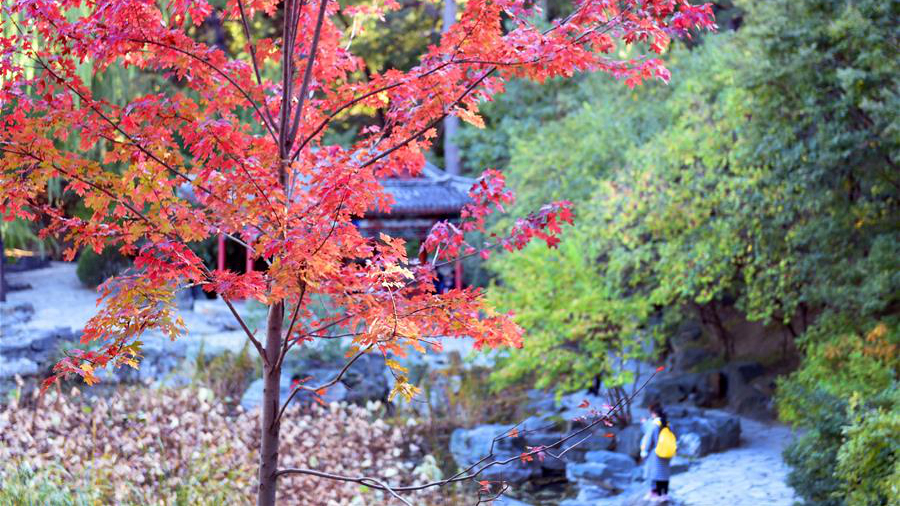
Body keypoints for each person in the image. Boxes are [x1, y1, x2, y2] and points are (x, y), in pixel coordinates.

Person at [640, 402, 672, 502]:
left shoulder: (654, 425)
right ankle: (665, 494)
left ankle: (656, 494)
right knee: (664, 474)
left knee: (655, 474)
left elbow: (649, 438)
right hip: (667, 451)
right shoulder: (667, 423)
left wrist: (644, 451)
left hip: (656, 452)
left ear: (654, 414)